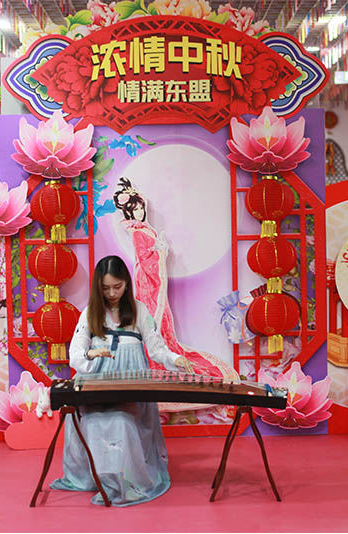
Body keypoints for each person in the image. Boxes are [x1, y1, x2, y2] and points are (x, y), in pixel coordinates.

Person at [50, 255, 193, 507]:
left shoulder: (139, 311)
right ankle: (103, 479)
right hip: (96, 388)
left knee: (122, 422)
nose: (112, 293)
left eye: (117, 286)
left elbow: (157, 349)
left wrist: (176, 359)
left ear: (126, 283)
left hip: (131, 388)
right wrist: (91, 354)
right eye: (105, 288)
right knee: (96, 423)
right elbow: (76, 354)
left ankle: (122, 483)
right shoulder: (90, 314)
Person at [113, 178, 241, 420]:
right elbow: (145, 262)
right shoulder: (137, 232)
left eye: (141, 208)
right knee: (152, 325)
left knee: (160, 326)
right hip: (147, 284)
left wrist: (159, 251)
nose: (139, 212)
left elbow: (148, 257)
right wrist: (160, 252)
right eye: (135, 209)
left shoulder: (143, 229)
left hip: (151, 283)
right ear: (128, 212)